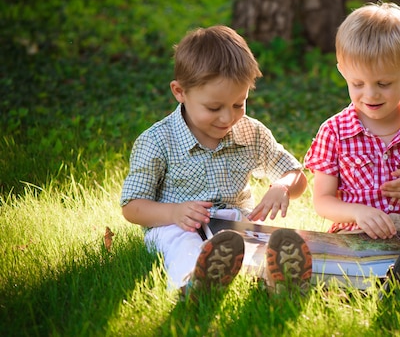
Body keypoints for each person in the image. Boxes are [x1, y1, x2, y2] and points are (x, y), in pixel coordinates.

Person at [120, 25, 312, 300]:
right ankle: (194, 282)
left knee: (262, 240)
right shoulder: (157, 141)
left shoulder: (250, 132)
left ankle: (279, 282)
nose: (227, 118)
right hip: (177, 224)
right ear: (180, 91)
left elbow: (295, 173)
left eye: (238, 104)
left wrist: (282, 186)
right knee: (181, 241)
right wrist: (174, 213)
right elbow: (133, 207)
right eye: (213, 108)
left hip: (234, 225)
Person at [304, 2, 400, 295]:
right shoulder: (335, 131)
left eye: (383, 83)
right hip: (356, 231)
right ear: (342, 73)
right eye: (358, 83)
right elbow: (323, 201)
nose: (371, 94)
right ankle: (387, 285)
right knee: (343, 271)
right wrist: (358, 213)